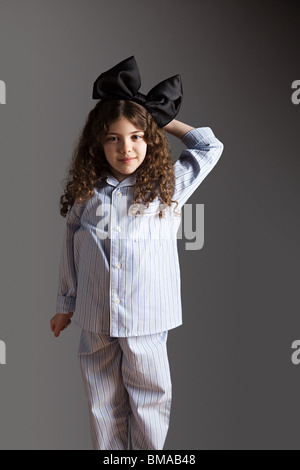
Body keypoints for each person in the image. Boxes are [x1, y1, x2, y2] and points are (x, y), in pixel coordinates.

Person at [50, 56, 224, 450]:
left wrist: (159, 118)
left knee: (150, 397)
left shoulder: (168, 186)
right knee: (102, 403)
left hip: (147, 313)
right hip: (95, 314)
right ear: (99, 142)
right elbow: (71, 245)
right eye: (113, 138)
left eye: (136, 137)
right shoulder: (88, 191)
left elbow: (209, 146)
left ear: (149, 139)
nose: (125, 147)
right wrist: (66, 302)